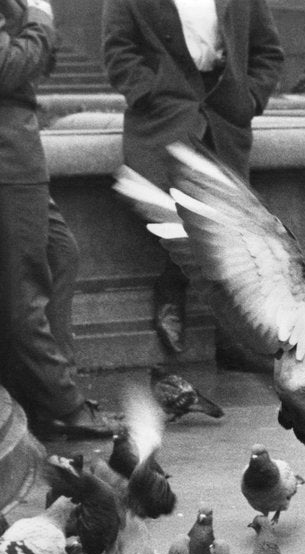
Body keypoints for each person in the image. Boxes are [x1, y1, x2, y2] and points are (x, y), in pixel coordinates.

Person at [102, 0, 284, 369]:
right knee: (176, 212)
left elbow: (268, 52)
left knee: (231, 225)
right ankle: (175, 288)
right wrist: (148, 92)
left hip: (224, 114)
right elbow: (117, 49)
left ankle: (232, 339)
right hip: (164, 113)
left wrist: (248, 99)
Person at [0, 0, 115, 440]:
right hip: (8, 156)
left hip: (17, 150)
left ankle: (47, 393)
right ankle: (63, 408)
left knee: (60, 254)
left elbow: (37, 63)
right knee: (23, 292)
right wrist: (41, 16)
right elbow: (11, 66)